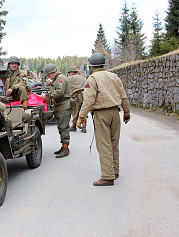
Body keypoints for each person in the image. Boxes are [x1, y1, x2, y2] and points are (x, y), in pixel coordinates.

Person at [77, 53, 130, 186]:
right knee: (113, 143)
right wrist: (127, 111)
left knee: (103, 144)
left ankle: (107, 176)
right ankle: (114, 171)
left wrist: (81, 117)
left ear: (92, 66)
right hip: (115, 112)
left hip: (101, 114)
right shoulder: (114, 76)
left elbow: (88, 100)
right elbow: (123, 96)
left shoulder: (92, 79)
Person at [41, 63, 72, 158]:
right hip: (60, 106)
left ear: (52, 73)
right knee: (61, 127)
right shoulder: (57, 79)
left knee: (63, 127)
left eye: (48, 75)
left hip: (63, 106)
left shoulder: (60, 79)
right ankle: (63, 147)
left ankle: (65, 148)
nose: (48, 77)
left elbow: (59, 92)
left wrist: (47, 96)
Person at [68, 66, 87, 132]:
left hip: (76, 96)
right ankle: (84, 126)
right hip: (85, 95)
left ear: (71, 72)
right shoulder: (83, 77)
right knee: (84, 111)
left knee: (75, 112)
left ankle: (74, 126)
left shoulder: (70, 78)